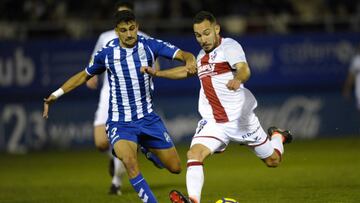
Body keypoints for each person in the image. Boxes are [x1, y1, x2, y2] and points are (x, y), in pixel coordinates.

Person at [43, 10, 196, 203]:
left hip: (148, 119)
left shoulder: (150, 45)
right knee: (130, 163)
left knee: (175, 167)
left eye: (132, 28)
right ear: (117, 31)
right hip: (119, 122)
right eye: (124, 30)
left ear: (137, 27)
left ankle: (146, 149)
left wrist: (190, 59)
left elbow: (183, 54)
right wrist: (56, 95)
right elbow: (83, 75)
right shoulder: (107, 53)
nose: (129, 34)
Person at [141, 11, 293, 203]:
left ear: (216, 29)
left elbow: (244, 69)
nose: (203, 39)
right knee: (194, 154)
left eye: (206, 33)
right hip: (214, 122)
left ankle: (278, 136)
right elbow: (187, 71)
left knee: (273, 161)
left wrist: (238, 79)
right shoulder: (200, 56)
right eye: (198, 35)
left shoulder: (229, 47)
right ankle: (193, 200)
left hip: (241, 120)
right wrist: (158, 73)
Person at [86, 1, 160, 195]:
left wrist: (152, 74)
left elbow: (156, 63)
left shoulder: (142, 38)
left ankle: (116, 182)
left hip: (133, 101)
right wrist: (92, 76)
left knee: (124, 143)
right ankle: (114, 159)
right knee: (101, 142)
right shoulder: (105, 37)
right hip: (108, 96)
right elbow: (94, 61)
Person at [343, 45, 360, 111]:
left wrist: (347, 89)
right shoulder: (357, 60)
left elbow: (351, 76)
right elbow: (351, 76)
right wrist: (347, 88)